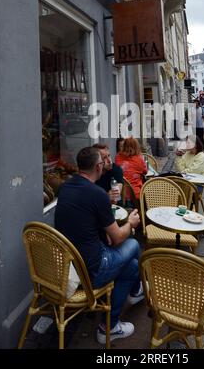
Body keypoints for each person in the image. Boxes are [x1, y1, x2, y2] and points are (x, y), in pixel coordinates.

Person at [55, 147, 143, 344]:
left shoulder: (66, 187)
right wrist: (131, 223)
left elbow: (82, 221)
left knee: (132, 267)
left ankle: (112, 321)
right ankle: (132, 297)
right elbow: (119, 237)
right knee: (134, 245)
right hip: (92, 270)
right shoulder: (97, 194)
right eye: (103, 163)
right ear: (98, 166)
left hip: (69, 263)